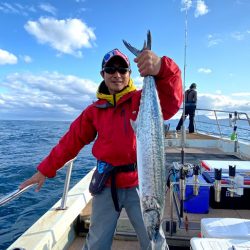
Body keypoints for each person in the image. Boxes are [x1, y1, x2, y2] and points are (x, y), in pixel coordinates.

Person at [19, 48, 183, 250]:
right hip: (107, 183)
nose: (117, 74)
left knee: (154, 240)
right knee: (96, 242)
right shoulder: (94, 111)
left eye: (122, 69)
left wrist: (161, 67)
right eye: (111, 69)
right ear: (102, 74)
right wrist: (45, 170)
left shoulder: (141, 100)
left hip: (140, 183)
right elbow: (71, 142)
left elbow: (173, 102)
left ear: (130, 73)